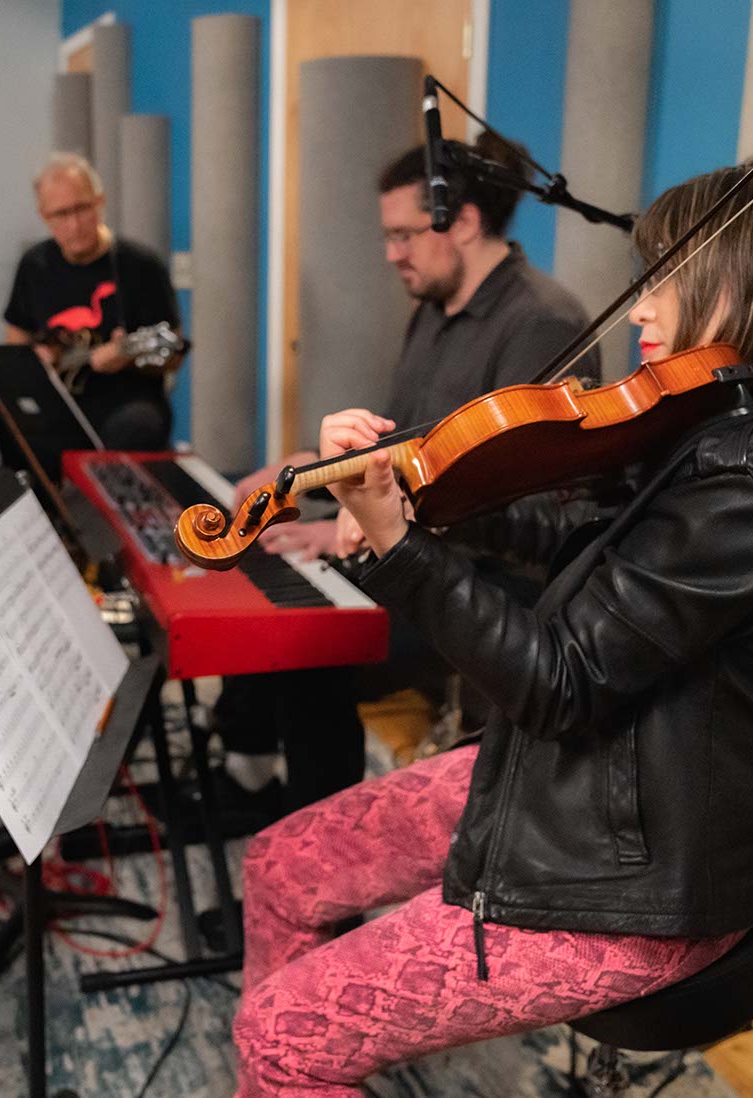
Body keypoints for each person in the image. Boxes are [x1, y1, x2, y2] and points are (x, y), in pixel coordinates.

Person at [231, 157, 753, 1095]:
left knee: (278, 1035)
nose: (643, 305)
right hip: (586, 782)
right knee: (281, 864)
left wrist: (398, 548)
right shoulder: (734, 412)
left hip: (631, 877)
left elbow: (560, 683)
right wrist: (420, 496)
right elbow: (580, 535)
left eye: (668, 277)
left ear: (750, 280)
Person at [213, 134, 599, 817]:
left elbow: (536, 509)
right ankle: (248, 777)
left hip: (490, 585)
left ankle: (320, 849)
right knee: (264, 567)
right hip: (413, 543)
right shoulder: (432, 310)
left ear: (465, 222)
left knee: (310, 648)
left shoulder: (542, 322)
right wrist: (309, 467)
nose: (392, 254)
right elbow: (400, 444)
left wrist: (361, 521)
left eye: (404, 235)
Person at [4, 153, 183, 450]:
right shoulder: (34, 265)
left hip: (128, 401)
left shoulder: (141, 265)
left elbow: (173, 355)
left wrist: (129, 357)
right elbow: (16, 341)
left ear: (100, 202)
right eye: (61, 214)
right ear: (44, 216)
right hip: (57, 401)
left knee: (137, 427)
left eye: (82, 208)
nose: (74, 224)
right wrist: (35, 361)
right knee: (11, 431)